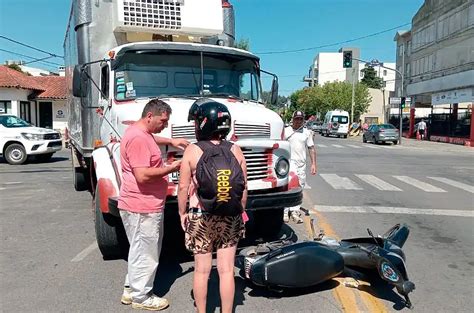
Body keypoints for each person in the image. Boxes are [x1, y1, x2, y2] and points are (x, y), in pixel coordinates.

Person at [178, 99, 247, 313]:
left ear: (203, 124)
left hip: (201, 216)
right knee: (226, 270)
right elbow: (243, 187)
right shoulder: (235, 149)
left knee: (201, 270)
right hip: (230, 215)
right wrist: (240, 210)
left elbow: (182, 187)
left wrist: (182, 213)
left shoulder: (192, 150)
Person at [118, 99, 188, 311]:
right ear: (150, 116)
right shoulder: (139, 139)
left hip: (139, 203)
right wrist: (172, 167)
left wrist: (171, 141)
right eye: (163, 121)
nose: (165, 125)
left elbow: (151, 137)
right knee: (146, 252)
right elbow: (143, 175)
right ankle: (142, 297)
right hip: (143, 206)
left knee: (138, 249)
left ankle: (131, 289)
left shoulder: (140, 133)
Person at [284, 110, 317, 223]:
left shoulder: (307, 133)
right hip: (288, 163)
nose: (298, 121)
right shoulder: (285, 131)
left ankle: (295, 210)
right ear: (292, 119)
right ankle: (285, 211)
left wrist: (313, 164)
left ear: (303, 120)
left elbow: (311, 148)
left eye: (300, 119)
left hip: (301, 164)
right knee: (287, 186)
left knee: (299, 186)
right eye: (296, 119)